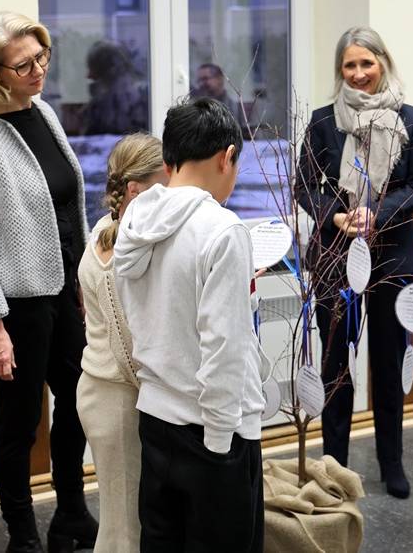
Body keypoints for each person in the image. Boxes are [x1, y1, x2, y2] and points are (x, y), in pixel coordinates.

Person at [0, 11, 98, 553]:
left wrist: (86, 280)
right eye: (24, 64)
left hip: (64, 293)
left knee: (80, 402)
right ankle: (23, 536)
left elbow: (68, 207)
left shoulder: (44, 114)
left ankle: (73, 515)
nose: (39, 70)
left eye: (43, 58)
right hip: (16, 304)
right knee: (18, 424)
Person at [113, 98, 266, 552]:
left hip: (156, 419)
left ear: (167, 161)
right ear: (228, 157)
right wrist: (220, 443)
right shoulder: (222, 230)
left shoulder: (135, 220)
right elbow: (225, 348)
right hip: (214, 433)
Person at [294, 26, 413, 499]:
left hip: (391, 254)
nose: (358, 75)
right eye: (349, 66)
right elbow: (303, 186)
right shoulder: (321, 122)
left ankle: (391, 462)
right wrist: (334, 215)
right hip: (335, 256)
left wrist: (378, 214)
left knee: (388, 364)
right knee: (336, 366)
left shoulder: (409, 119)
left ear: (382, 64)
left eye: (366, 64)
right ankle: (335, 467)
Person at [76, 133, 168, 552]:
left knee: (129, 521)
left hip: (108, 393)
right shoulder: (119, 255)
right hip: (115, 398)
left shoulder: (106, 230)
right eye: (164, 184)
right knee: (122, 531)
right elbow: (125, 347)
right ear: (136, 189)